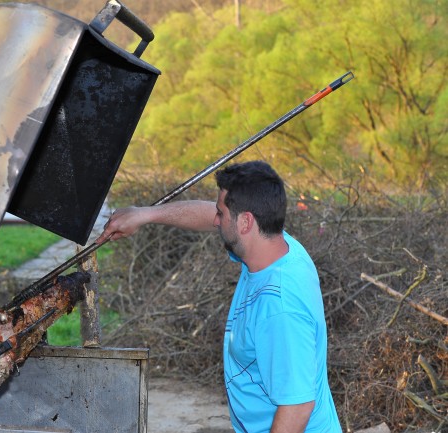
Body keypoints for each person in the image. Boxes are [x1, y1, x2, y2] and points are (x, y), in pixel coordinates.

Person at [95, 160, 341, 433]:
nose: (214, 220)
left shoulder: (279, 308)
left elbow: (297, 406)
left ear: (245, 222)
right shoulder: (280, 248)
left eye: (220, 214)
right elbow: (210, 215)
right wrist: (145, 215)